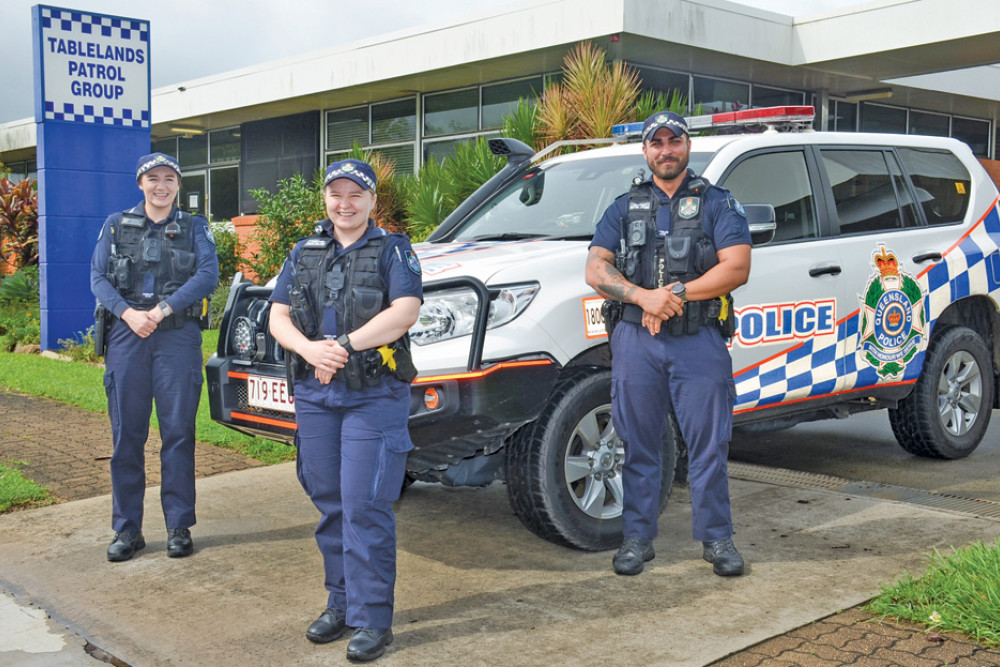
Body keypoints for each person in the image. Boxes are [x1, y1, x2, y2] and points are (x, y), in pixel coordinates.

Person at [585, 111, 752, 577]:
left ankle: (717, 540)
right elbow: (596, 268)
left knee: (709, 445)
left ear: (687, 146)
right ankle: (638, 538)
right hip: (637, 339)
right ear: (646, 151)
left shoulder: (718, 203)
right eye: (655, 143)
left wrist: (674, 295)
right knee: (638, 444)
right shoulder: (623, 207)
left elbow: (736, 267)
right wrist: (642, 297)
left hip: (697, 339)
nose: (665, 150)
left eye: (673, 141)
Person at [268, 158, 422, 662]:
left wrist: (345, 344)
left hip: (372, 394)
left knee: (364, 505)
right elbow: (279, 316)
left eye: (356, 194)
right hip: (316, 392)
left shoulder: (394, 250)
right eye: (336, 194)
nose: (345, 203)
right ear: (326, 200)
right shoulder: (304, 251)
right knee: (328, 500)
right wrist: (312, 351)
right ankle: (340, 603)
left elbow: (404, 312)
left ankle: (373, 618)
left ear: (372, 201)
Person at [90, 152, 219, 562]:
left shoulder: (196, 227)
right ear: (140, 183)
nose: (161, 186)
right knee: (127, 435)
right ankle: (127, 530)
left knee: (178, 434)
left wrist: (161, 311)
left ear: (178, 185)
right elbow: (97, 277)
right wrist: (129, 314)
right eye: (153, 178)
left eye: (169, 179)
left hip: (177, 338)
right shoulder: (115, 225)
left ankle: (179, 526)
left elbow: (207, 275)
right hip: (128, 337)